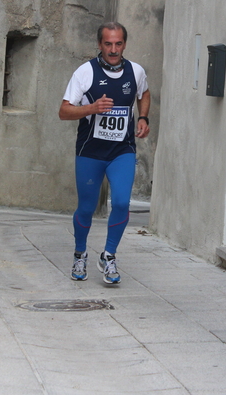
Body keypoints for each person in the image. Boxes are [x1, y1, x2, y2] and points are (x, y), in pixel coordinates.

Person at [59, 22, 151, 284]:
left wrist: (143, 117)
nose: (113, 49)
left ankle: (109, 256)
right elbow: (64, 111)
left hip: (122, 150)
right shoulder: (85, 73)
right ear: (99, 45)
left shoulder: (136, 71)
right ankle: (80, 253)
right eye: (108, 44)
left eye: (118, 44)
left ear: (124, 44)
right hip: (91, 151)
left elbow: (144, 93)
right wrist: (92, 108)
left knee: (121, 202)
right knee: (86, 208)